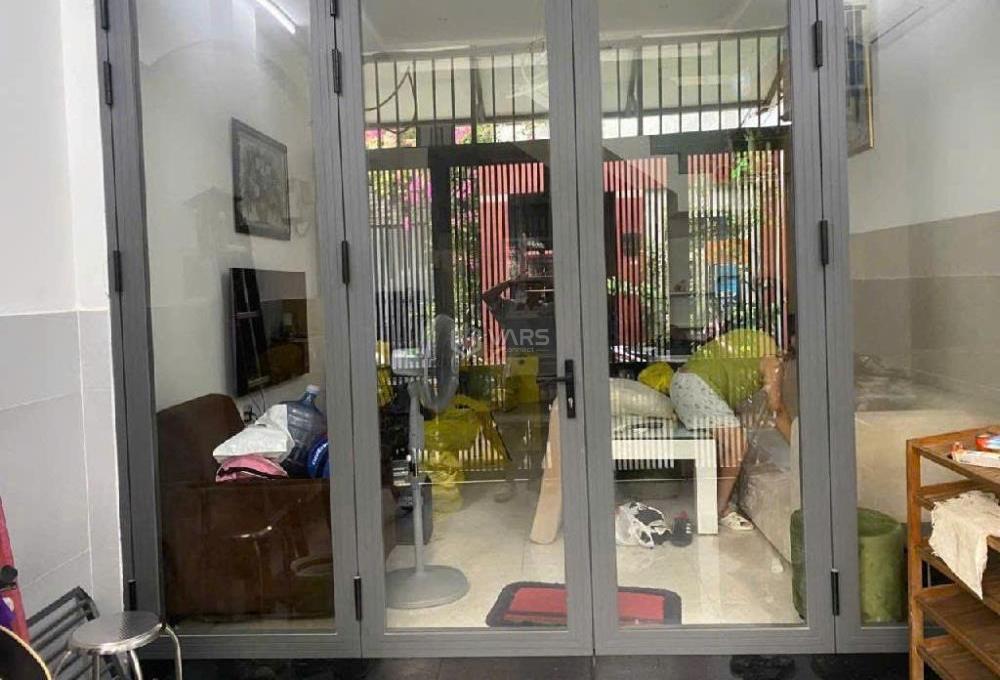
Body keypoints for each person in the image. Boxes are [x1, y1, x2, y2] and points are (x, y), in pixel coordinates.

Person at [669, 327, 791, 530]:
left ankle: (721, 498)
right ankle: (720, 509)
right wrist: (799, 448)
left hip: (681, 385)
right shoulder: (772, 359)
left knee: (730, 437)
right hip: (697, 389)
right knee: (736, 443)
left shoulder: (751, 342)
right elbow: (776, 408)